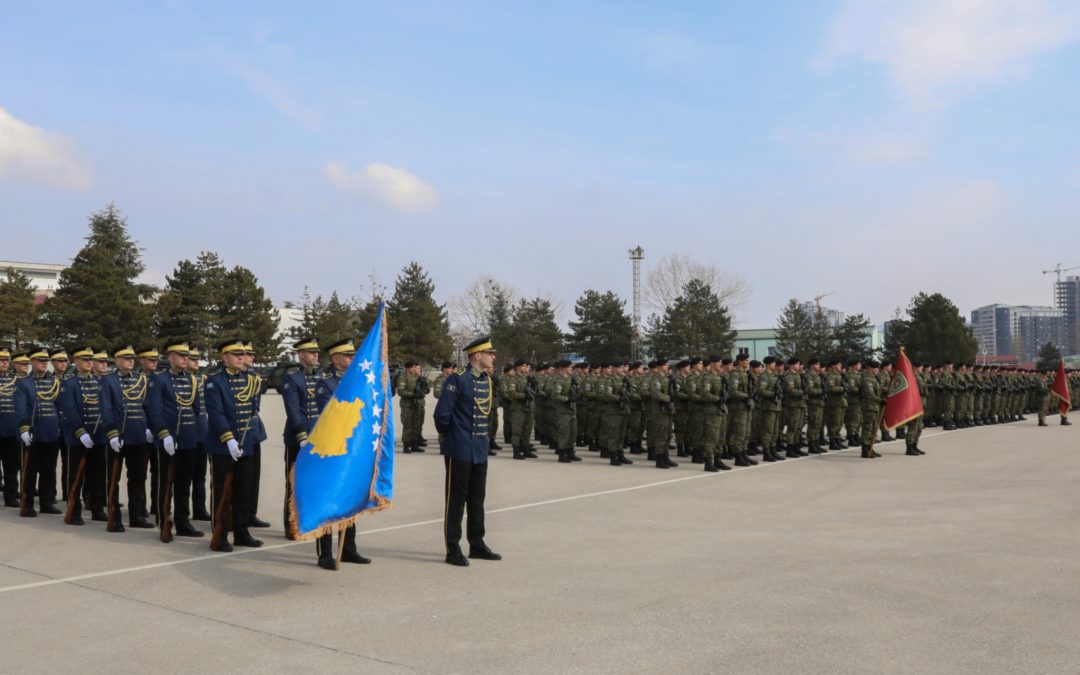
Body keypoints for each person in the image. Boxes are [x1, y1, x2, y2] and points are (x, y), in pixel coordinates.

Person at [433, 336, 501, 567]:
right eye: (489, 353)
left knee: (477, 499)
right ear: (477, 355)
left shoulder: (485, 379)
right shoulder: (457, 379)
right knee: (456, 501)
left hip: (479, 448)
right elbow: (442, 414)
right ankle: (453, 549)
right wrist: (451, 438)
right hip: (460, 448)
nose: (493, 357)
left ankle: (477, 544)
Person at [311, 338, 371, 569]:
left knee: (349, 498)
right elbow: (329, 413)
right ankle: (324, 553)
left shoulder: (359, 379)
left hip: (353, 449)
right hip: (331, 449)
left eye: (353, 355)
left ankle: (348, 549)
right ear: (336, 359)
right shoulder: (324, 382)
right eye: (348, 355)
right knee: (327, 500)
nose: (353, 358)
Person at [204, 339, 263, 551]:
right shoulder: (214, 381)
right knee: (222, 491)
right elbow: (216, 413)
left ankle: (241, 532)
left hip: (246, 442)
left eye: (242, 354)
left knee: (243, 490)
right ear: (224, 357)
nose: (241, 357)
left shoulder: (250, 379)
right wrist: (228, 438)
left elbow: (253, 410)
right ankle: (219, 534)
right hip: (223, 445)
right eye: (236, 354)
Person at [146, 342, 204, 538]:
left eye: (187, 355)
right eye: (181, 355)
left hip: (188, 438)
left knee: (184, 483)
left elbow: (196, 409)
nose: (186, 358)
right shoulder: (159, 379)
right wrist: (164, 434)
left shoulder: (192, 379)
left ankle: (183, 522)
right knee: (166, 483)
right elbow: (154, 410)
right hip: (168, 439)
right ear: (170, 357)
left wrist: (193, 433)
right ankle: (163, 521)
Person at [101, 345, 154, 530]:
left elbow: (147, 406)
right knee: (113, 479)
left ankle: (136, 516)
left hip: (138, 435)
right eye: (126, 358)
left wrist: (149, 428)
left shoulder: (141, 379)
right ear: (117, 361)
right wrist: (112, 433)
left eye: (132, 358)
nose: (131, 361)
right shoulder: (108, 380)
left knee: (138, 478)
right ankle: (114, 517)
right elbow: (106, 409)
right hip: (117, 436)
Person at [281, 337, 323, 540]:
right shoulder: (292, 377)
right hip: (299, 438)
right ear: (301, 355)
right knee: (294, 483)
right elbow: (293, 410)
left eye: (316, 352)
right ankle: (291, 524)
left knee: (316, 482)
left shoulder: (322, 376)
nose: (316, 355)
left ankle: (310, 522)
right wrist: (301, 435)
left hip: (320, 438)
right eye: (311, 352)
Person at [14, 347, 62, 516]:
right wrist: (24, 428)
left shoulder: (54, 382)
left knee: (49, 470)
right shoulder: (23, 383)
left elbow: (58, 406)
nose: (44, 363)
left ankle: (46, 502)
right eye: (40, 361)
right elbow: (20, 408)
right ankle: (27, 504)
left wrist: (59, 426)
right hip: (32, 433)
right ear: (32, 362)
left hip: (51, 432)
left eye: (46, 361)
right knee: (30, 470)